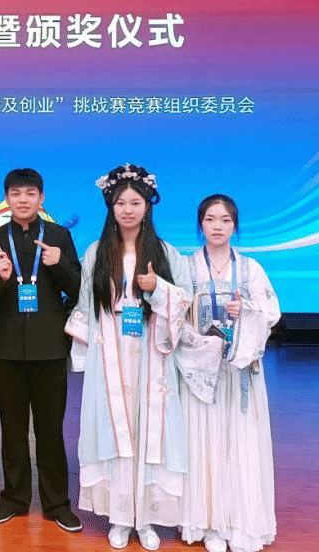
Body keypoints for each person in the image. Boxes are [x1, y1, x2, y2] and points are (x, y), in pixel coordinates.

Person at [65, 164, 192, 551]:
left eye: (135, 202)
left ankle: (147, 517)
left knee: (150, 429)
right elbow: (85, 304)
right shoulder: (97, 252)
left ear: (148, 205)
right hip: (110, 351)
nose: (128, 210)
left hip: (152, 352)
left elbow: (185, 303)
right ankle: (121, 517)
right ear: (111, 206)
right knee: (114, 429)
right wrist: (88, 355)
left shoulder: (167, 253)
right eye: (121, 203)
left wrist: (157, 289)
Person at [0, 167, 83, 533]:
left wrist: (59, 264)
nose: (23, 200)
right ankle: (13, 499)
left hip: (50, 348)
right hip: (7, 348)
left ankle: (57, 504)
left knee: (51, 431)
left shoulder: (59, 236)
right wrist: (2, 278)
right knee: (13, 429)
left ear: (41, 198)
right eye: (16, 194)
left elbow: (78, 287)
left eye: (30, 193)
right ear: (7, 199)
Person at [178, 195, 280, 552]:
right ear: (200, 224)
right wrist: (196, 341)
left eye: (224, 219)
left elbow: (272, 312)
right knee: (203, 442)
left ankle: (240, 522)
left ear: (235, 225)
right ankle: (209, 523)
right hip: (200, 372)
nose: (217, 226)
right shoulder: (187, 267)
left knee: (240, 442)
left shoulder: (250, 268)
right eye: (210, 219)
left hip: (239, 373)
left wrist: (246, 310)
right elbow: (174, 314)